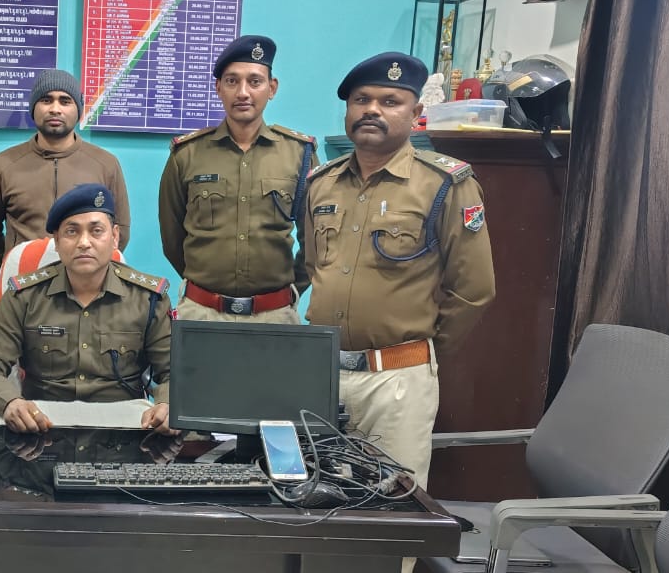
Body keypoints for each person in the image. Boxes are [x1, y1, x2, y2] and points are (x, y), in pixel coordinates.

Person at [301, 52, 496, 489]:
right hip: (322, 376)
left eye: (390, 101)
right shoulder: (321, 183)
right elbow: (315, 266)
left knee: (392, 508)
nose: (372, 110)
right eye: (361, 100)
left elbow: (473, 289)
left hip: (397, 381)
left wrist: (419, 356)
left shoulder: (445, 184)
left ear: (415, 112)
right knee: (316, 500)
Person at [0, 184, 174, 435]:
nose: (84, 243)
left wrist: (169, 405)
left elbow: (175, 373)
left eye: (96, 231)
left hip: (124, 434)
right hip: (42, 431)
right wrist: (10, 403)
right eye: (71, 231)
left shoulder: (148, 299)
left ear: (115, 237)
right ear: (57, 241)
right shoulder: (24, 296)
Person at [159, 35, 318, 323]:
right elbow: (172, 239)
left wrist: (290, 290)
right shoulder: (187, 154)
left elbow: (315, 240)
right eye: (232, 81)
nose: (243, 92)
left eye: (254, 81)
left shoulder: (299, 154)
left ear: (272, 88)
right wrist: (205, 285)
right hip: (201, 312)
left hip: (274, 314)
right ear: (218, 88)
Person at [0, 69, 131, 267]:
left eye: (65, 101)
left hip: (86, 280)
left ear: (78, 109)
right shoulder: (3, 164)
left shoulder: (106, 164)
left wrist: (91, 268)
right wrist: (14, 263)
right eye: (46, 100)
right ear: (33, 108)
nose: (55, 109)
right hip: (23, 279)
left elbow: (120, 230)